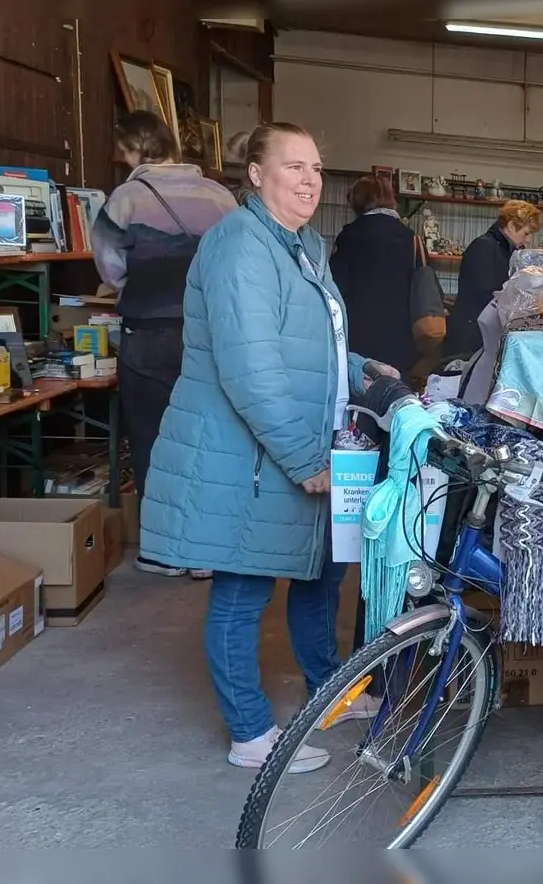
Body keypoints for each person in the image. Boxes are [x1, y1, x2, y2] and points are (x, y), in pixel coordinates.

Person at [138, 122, 399, 773]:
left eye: (316, 168)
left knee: (321, 573)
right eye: (293, 166)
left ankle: (329, 693)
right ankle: (250, 733)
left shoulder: (302, 245)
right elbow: (251, 369)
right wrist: (305, 459)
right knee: (242, 591)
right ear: (256, 175)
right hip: (249, 456)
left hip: (296, 441)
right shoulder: (241, 246)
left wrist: (361, 368)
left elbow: (312, 343)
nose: (310, 180)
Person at [92, 110, 237, 580]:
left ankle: (164, 551)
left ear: (137, 147)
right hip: (209, 335)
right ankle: (207, 553)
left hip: (149, 332)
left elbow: (109, 268)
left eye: (124, 150)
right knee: (209, 438)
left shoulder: (126, 198)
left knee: (152, 437)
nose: (122, 159)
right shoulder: (220, 197)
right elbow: (239, 265)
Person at [329, 175, 427, 376]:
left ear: (357, 201)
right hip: (400, 338)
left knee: (359, 387)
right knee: (395, 389)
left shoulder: (350, 235)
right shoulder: (412, 239)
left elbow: (334, 286)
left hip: (357, 336)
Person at [444, 200, 542, 359]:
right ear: (511, 226)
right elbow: (486, 295)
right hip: (471, 338)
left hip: (479, 333)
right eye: (526, 233)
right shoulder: (484, 248)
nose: (528, 239)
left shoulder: (501, 250)